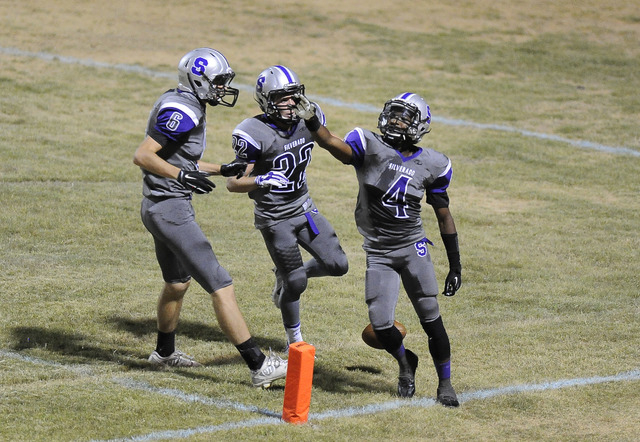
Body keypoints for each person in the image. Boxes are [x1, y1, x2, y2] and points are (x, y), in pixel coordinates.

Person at [293, 92, 461, 406]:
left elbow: (443, 214)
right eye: (393, 114)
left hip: (413, 248)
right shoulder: (368, 144)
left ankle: (445, 384)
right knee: (381, 324)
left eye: (404, 117)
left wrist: (455, 265)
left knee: (431, 319)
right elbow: (333, 143)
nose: (395, 121)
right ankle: (404, 362)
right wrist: (313, 121)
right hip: (380, 253)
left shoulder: (434, 163)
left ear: (420, 126)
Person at [133, 48, 287, 389]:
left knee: (177, 283)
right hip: (170, 209)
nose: (222, 88)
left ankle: (163, 353)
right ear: (198, 80)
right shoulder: (184, 110)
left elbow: (178, 155)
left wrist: (219, 169)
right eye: (217, 82)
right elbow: (143, 155)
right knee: (221, 284)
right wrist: (179, 176)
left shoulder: (182, 100)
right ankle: (259, 365)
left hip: (158, 207)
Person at [226, 65, 349, 349]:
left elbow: (327, 139)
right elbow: (233, 183)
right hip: (274, 216)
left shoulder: (308, 116)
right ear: (266, 101)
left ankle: (286, 274)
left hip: (304, 207)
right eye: (282, 98)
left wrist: (316, 122)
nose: (291, 104)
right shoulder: (252, 132)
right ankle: (295, 341)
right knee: (296, 286)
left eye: (294, 96)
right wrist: (263, 179)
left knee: (338, 265)